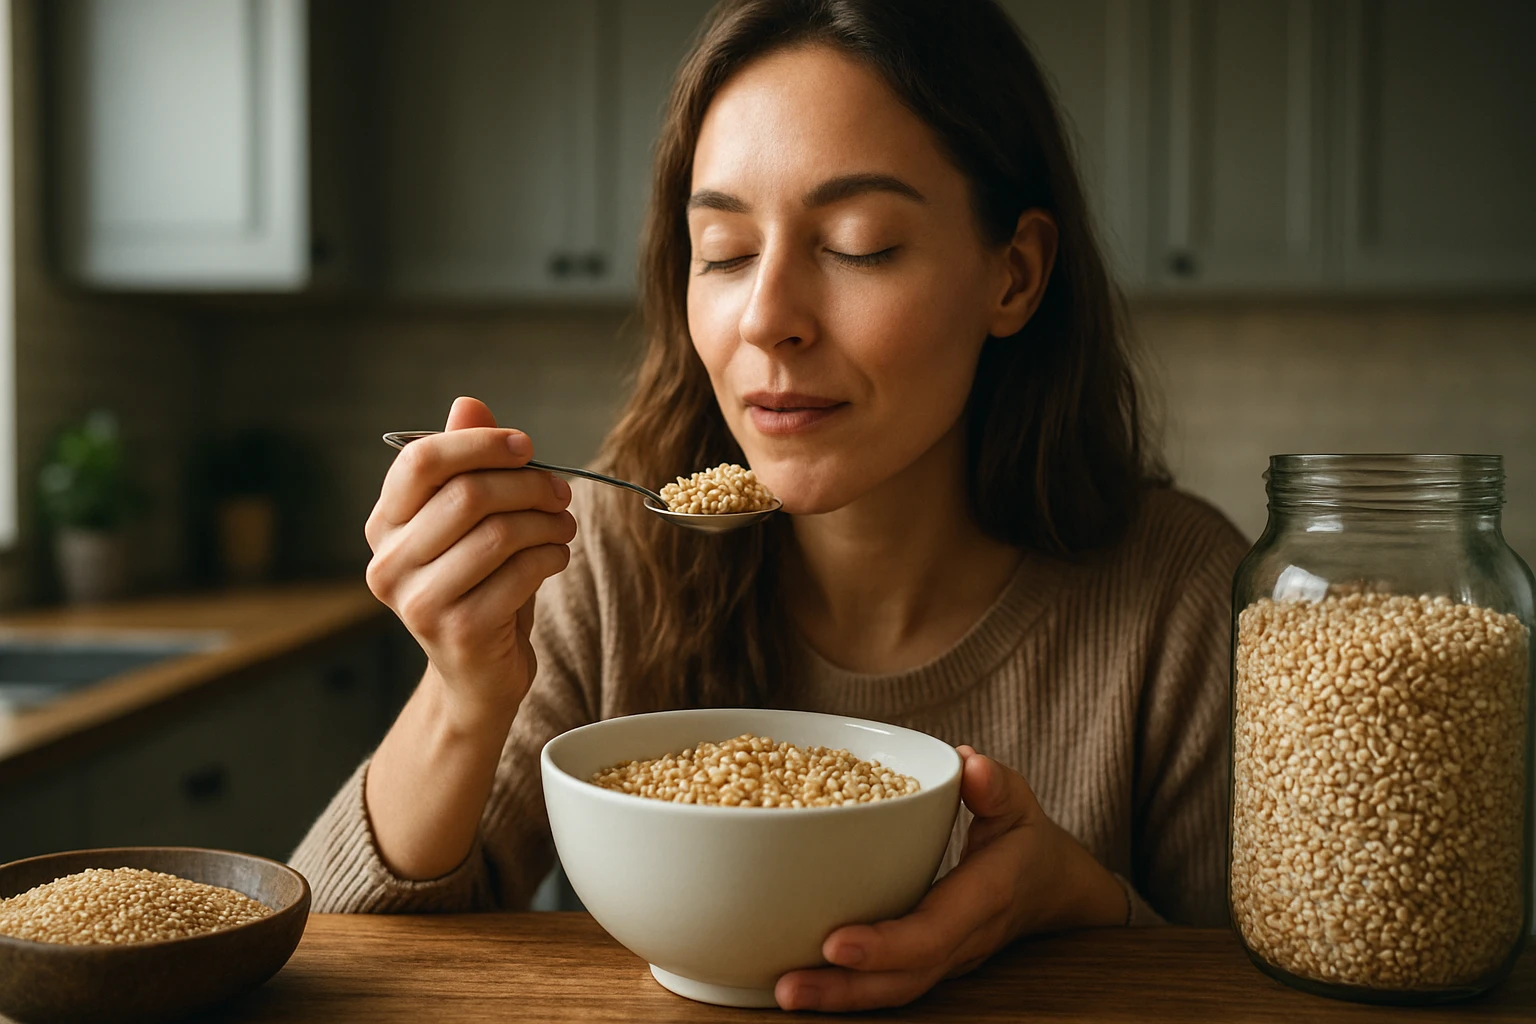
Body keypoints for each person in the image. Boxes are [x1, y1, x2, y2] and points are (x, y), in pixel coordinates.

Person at [292, 0, 1248, 1011]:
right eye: (724, 250)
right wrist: (461, 691)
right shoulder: (609, 552)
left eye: (860, 244)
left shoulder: (1181, 596)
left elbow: (1271, 986)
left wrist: (1082, 901)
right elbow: (331, 953)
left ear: (1013, 275)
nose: (766, 318)